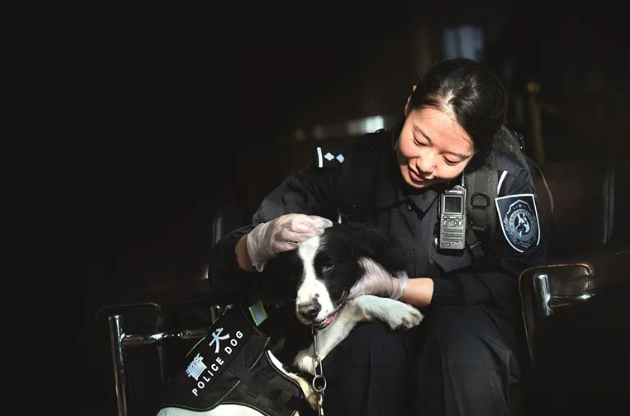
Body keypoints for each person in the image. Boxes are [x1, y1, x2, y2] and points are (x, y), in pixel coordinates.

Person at [209, 57, 548, 416]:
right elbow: (226, 264)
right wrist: (259, 242)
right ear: (409, 103)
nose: (427, 163)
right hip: (371, 335)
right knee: (366, 342)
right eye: (420, 139)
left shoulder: (501, 182)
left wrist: (399, 287)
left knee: (461, 345)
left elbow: (517, 283)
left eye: (451, 158)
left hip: (468, 336)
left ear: (478, 151)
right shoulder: (353, 169)